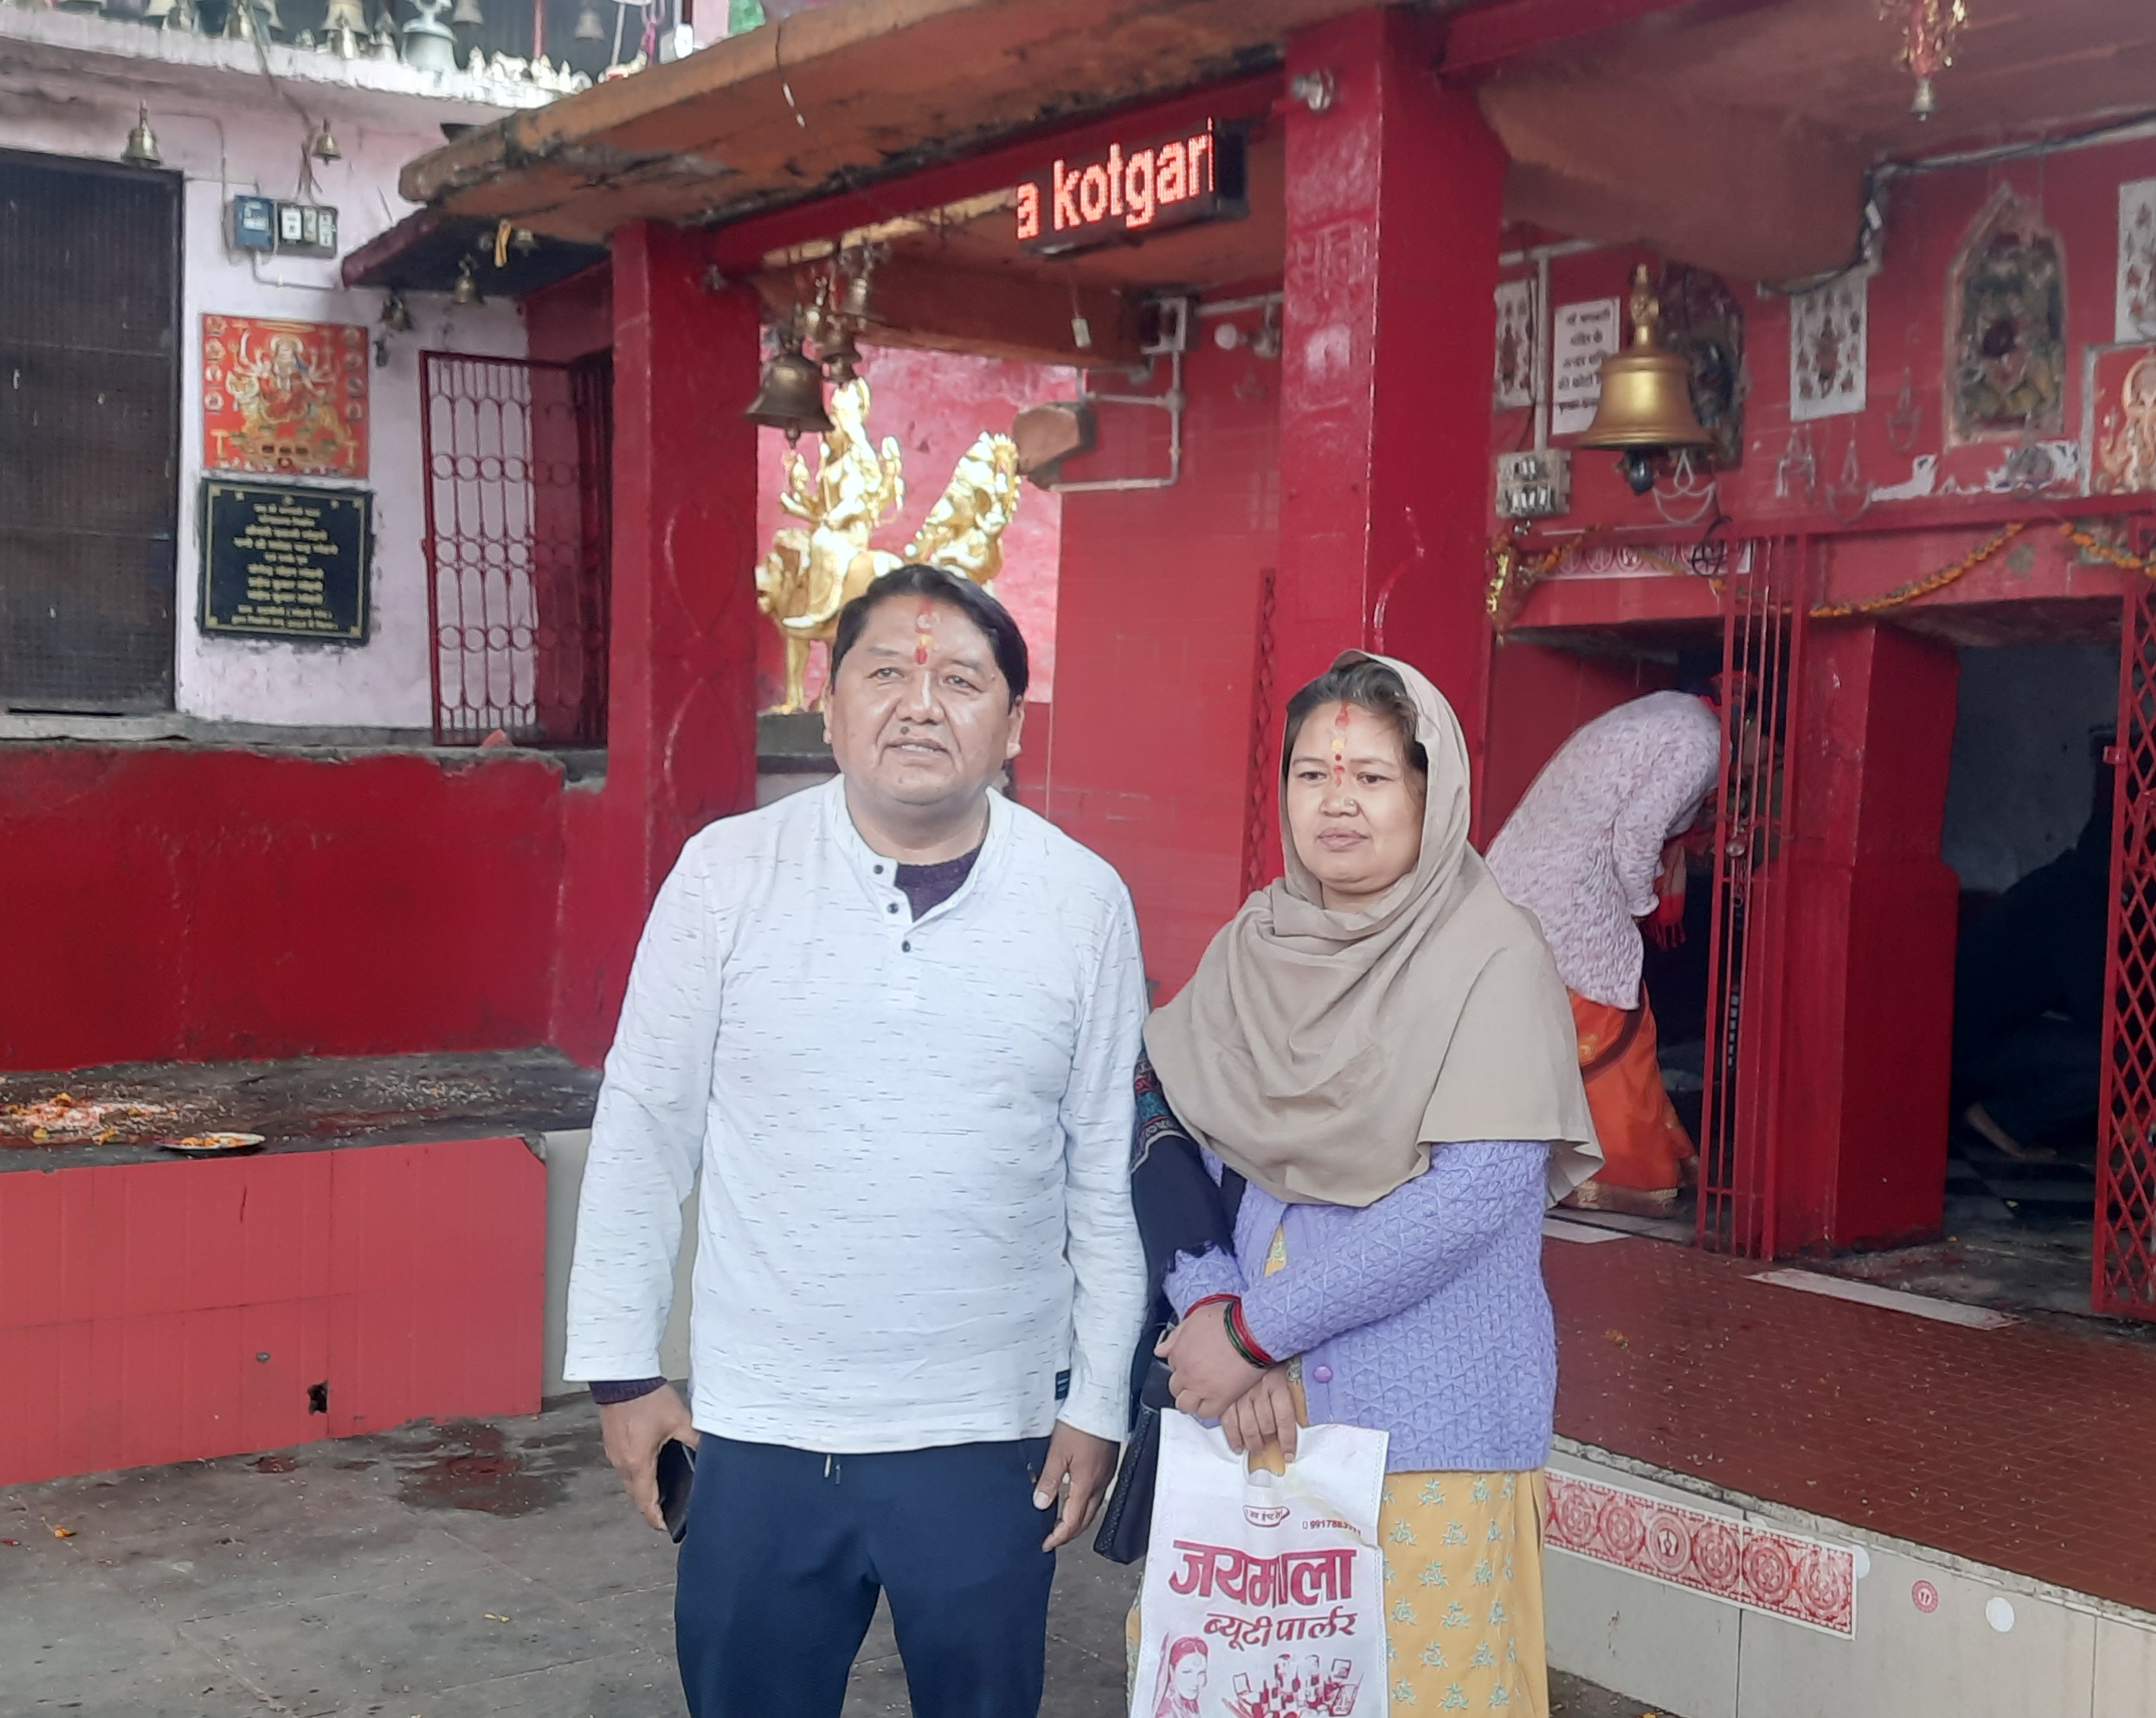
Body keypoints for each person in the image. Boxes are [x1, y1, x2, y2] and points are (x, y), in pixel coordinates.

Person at [565, 563, 1148, 1718]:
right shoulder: (727, 877)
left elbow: (1103, 1169)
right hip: (760, 1427)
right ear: (827, 709)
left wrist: (1101, 1400)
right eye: (884, 673)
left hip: (989, 1435)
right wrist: (624, 1374)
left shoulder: (1083, 903)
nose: (920, 706)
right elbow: (645, 1125)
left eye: (961, 683)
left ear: (1012, 727)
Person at [1140, 651, 1599, 1718]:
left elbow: (1472, 1197)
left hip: (1431, 1441)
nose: (1337, 800)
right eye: (1312, 774)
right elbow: (1185, 1142)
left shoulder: (1493, 956)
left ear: (1431, 793)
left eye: (1374, 777)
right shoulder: (1254, 948)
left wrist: (1258, 1329)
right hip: (1255, 1425)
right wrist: (1210, 1310)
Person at [1484, 688, 1726, 1215]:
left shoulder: (1667, 710)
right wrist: (1642, 901)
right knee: (1616, 1021)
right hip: (1570, 889)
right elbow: (1638, 832)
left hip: (1519, 877)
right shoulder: (1705, 742)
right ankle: (1622, 1171)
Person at [1952, 734, 2114, 1165]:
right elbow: (2098, 1006)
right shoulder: (2078, 900)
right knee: (2113, 1055)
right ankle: (2002, 1119)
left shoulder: (2059, 883)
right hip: (1975, 1046)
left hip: (1971, 1034)